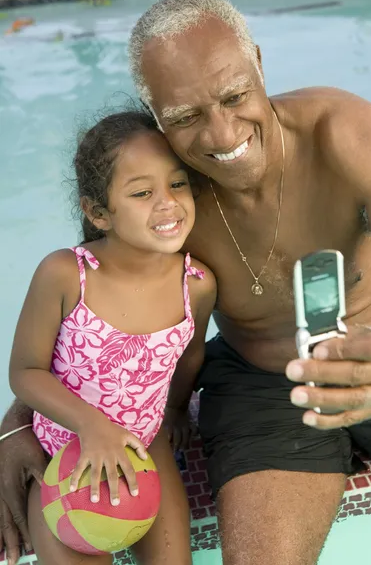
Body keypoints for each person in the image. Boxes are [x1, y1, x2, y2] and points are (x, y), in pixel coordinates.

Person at [2, 0, 371, 565]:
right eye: (186, 116)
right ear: (156, 112)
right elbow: (87, 312)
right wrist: (18, 427)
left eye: (235, 95)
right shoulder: (165, 196)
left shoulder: (345, 134)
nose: (219, 135)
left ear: (259, 63)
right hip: (263, 384)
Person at [5, 108, 216, 565]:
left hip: (146, 444)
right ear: (98, 212)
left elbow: (189, 357)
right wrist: (92, 425)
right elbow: (24, 371)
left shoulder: (195, 284)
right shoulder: (66, 274)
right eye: (142, 192)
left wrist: (177, 410)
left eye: (178, 184)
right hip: (64, 450)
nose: (167, 203)